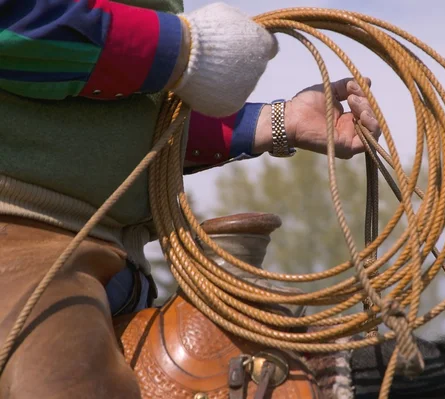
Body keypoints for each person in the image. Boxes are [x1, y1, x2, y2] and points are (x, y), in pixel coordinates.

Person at [0, 0, 380, 398]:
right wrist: (181, 50)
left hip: (111, 266)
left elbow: (142, 122)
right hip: (21, 240)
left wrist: (278, 121)